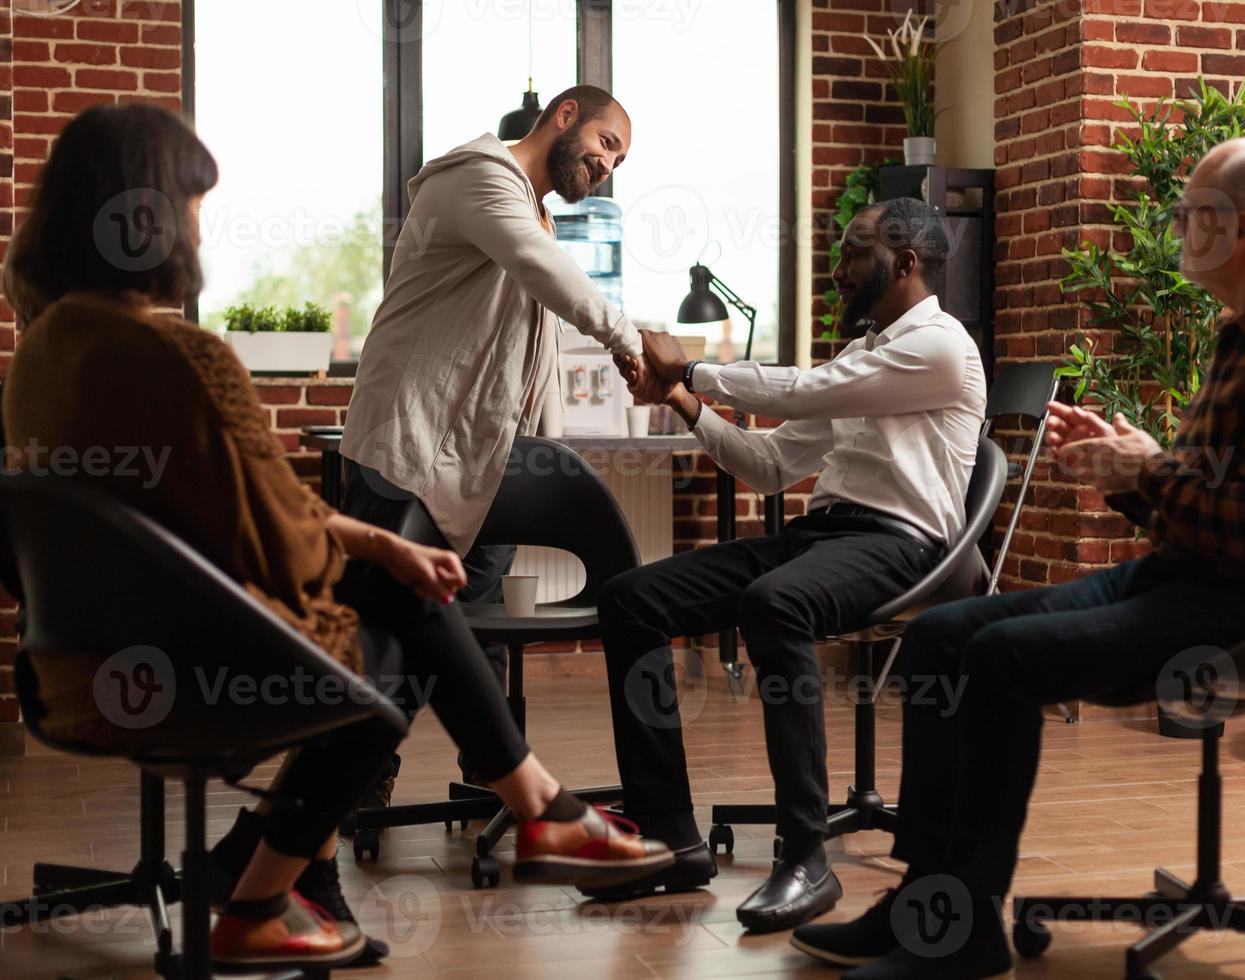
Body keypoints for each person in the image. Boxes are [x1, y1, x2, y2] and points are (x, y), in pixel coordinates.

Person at [0, 104, 670, 972]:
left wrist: (382, 546)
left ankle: (283, 883)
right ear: (144, 220)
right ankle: (522, 812)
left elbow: (217, 513)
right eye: (195, 204)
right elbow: (284, 546)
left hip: (77, 667)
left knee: (399, 595)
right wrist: (377, 559)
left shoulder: (46, 353)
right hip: (189, 668)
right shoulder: (186, 362)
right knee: (394, 631)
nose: (202, 226)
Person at [791, 138, 1245, 978]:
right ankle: (922, 906)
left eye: (1193, 213)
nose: (1179, 225)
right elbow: (1206, 508)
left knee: (1002, 659)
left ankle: (962, 934)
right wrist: (1134, 468)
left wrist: (1148, 471)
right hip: (1193, 578)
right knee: (940, 635)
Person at [596, 198, 988, 933]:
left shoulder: (941, 347)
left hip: (904, 544)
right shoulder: (859, 354)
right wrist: (682, 399)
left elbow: (811, 390)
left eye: (853, 251)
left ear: (905, 262)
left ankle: (807, 857)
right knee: (629, 600)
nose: (838, 269)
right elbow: (772, 465)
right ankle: (669, 837)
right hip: (823, 537)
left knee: (776, 603)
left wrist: (694, 368)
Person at [339, 83, 640, 797]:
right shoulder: (480, 178)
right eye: (605, 144)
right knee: (386, 638)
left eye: (618, 159)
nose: (607, 166)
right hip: (408, 447)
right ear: (564, 116)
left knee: (460, 632)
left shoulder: (534, 214)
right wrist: (630, 341)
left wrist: (545, 457)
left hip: (485, 464)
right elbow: (546, 275)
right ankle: (344, 788)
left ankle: (483, 773)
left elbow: (535, 359)